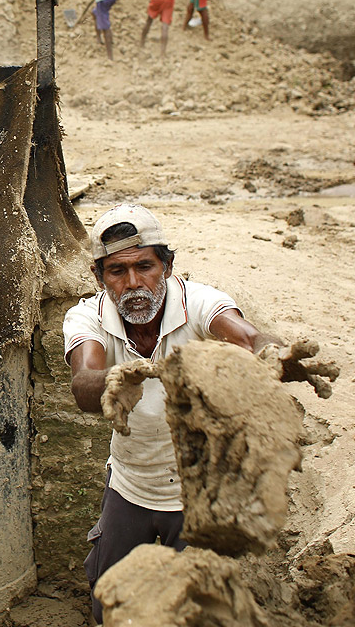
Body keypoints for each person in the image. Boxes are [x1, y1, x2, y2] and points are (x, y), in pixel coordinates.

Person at [63, 204, 337, 624]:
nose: (133, 283)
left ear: (168, 265)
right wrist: (116, 379)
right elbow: (84, 383)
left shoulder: (200, 302)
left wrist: (274, 354)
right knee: (108, 599)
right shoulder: (88, 316)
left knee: (196, 608)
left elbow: (248, 338)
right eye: (117, 272)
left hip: (195, 494)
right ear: (99, 278)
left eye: (145, 266)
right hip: (130, 485)